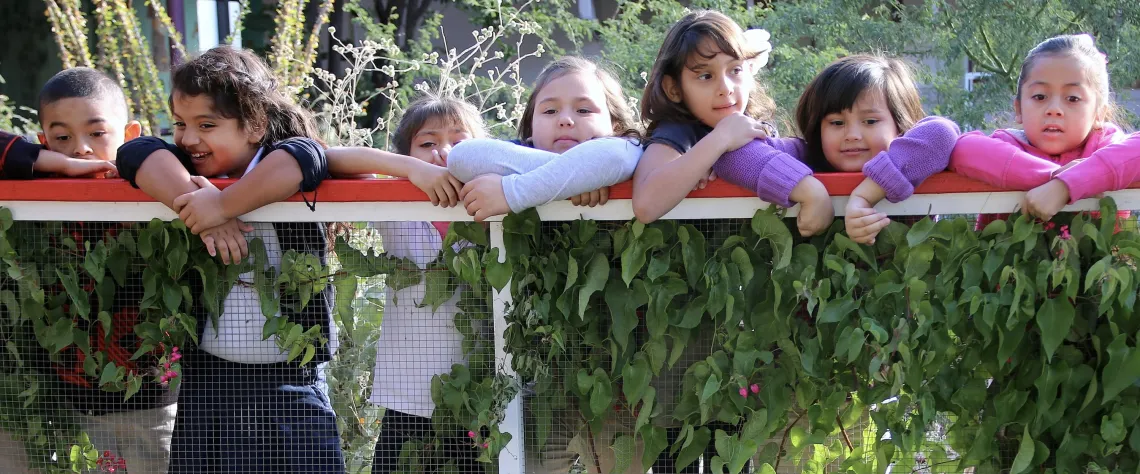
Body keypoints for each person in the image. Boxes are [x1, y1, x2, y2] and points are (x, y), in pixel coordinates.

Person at [116, 46, 344, 473]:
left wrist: (220, 207)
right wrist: (202, 212)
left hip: (291, 381)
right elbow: (135, 152)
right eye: (181, 124)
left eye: (207, 124)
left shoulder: (284, 161)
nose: (188, 138)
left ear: (255, 124)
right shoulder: (187, 167)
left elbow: (307, 156)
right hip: (210, 384)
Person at [714, 54, 960, 244]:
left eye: (870, 122)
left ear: (900, 125)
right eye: (836, 123)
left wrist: (864, 196)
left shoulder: (914, 159)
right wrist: (811, 193)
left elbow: (943, 132)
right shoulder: (805, 155)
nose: (852, 135)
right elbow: (729, 154)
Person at [950, 33, 1140, 222]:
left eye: (1073, 98)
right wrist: (1055, 178)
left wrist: (1068, 185)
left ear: (1099, 113)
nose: (1054, 109)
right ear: (1019, 109)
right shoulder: (1008, 145)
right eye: (1040, 97)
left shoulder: (1106, 145)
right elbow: (961, 150)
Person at [444, 56, 643, 221]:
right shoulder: (520, 151)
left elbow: (618, 157)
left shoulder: (627, 146)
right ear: (531, 126)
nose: (565, 120)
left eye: (583, 110)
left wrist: (512, 192)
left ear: (616, 125)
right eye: (549, 111)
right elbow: (462, 156)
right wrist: (581, 177)